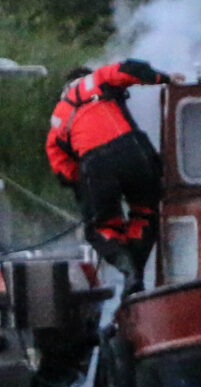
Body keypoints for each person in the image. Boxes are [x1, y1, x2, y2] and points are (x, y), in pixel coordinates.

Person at [47, 59, 168, 286]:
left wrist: (86, 188)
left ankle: (129, 271)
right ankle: (137, 274)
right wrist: (164, 78)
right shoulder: (99, 79)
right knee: (145, 213)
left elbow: (62, 168)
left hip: (95, 165)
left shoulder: (58, 117)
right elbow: (130, 69)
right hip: (132, 151)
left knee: (102, 228)